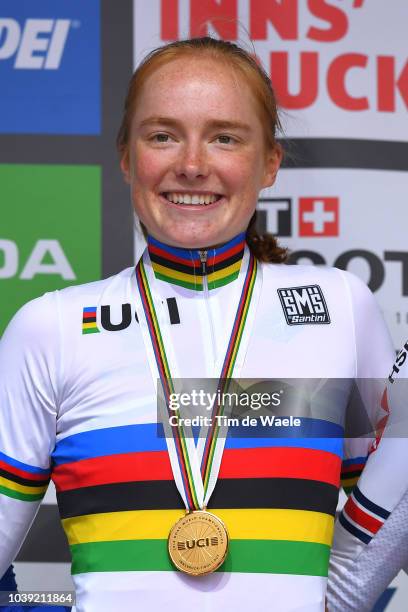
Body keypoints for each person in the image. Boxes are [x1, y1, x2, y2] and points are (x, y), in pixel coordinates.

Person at [0, 36, 399, 611]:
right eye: (162, 135)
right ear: (126, 157)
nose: (191, 165)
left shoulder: (342, 310)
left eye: (224, 137)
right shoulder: (52, 328)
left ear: (269, 164)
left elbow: (384, 533)